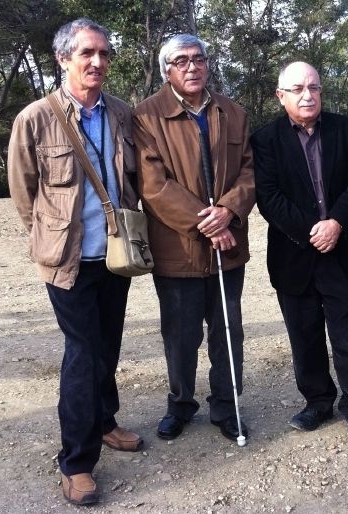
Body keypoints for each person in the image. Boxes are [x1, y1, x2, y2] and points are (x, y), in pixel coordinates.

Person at [7, 18, 143, 506]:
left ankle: (104, 421)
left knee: (108, 345)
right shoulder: (35, 118)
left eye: (104, 53)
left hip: (116, 255)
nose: (97, 62)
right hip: (67, 260)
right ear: (63, 59)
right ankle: (77, 462)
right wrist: (49, 238)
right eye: (87, 53)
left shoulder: (122, 113)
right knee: (83, 353)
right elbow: (24, 194)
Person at [132, 35, 255, 444]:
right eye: (181, 61)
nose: (191, 67)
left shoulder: (233, 112)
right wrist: (210, 224)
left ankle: (227, 405)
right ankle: (180, 404)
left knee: (228, 331)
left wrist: (229, 211)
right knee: (180, 336)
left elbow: (249, 172)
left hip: (228, 249)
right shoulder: (146, 116)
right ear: (167, 70)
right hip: (178, 250)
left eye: (198, 59)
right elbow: (153, 186)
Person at [251, 62, 348, 446]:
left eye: (314, 87)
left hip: (343, 251)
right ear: (280, 95)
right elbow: (269, 197)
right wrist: (313, 231)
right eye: (297, 89)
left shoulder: (346, 129)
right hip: (294, 256)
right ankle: (318, 402)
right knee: (304, 339)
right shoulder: (265, 139)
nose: (307, 95)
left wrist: (336, 223)